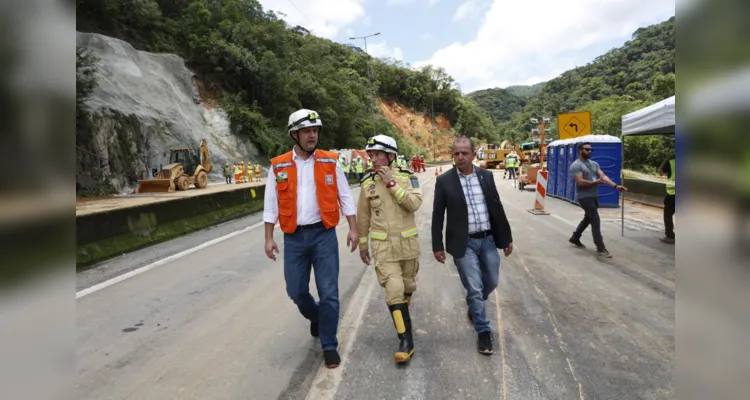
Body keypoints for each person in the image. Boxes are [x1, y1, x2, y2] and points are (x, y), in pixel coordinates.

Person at [263, 108, 359, 369]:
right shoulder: (279, 165)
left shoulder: (330, 161)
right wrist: (269, 237)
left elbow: (345, 196)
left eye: (315, 131)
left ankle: (329, 344)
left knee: (329, 293)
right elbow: (271, 204)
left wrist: (353, 228)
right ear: (294, 134)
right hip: (293, 238)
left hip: (324, 236)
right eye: (306, 131)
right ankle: (317, 317)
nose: (312, 135)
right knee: (296, 291)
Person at [431, 136, 514, 355]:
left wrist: (505, 238)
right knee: (475, 288)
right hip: (463, 243)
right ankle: (483, 331)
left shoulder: (486, 177)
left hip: (487, 240)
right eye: (456, 153)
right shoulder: (445, 181)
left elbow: (496, 208)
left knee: (492, 281)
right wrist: (437, 245)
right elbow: (438, 215)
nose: (460, 157)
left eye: (464, 153)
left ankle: (474, 305)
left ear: (473, 154)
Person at [357, 134, 423, 363]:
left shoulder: (408, 178)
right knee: (393, 289)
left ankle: (403, 312)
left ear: (391, 156)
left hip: (407, 246)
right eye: (371, 155)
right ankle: (406, 342)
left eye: (378, 155)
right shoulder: (367, 184)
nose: (373, 159)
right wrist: (363, 244)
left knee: (407, 286)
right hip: (383, 247)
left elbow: (414, 204)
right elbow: (363, 217)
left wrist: (392, 184)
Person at [568, 142, 627, 258]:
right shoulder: (576, 165)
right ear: (580, 150)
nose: (589, 152)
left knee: (588, 218)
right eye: (587, 149)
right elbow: (580, 181)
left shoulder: (594, 164)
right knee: (595, 220)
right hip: (584, 197)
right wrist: (595, 182)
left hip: (594, 196)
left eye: (591, 150)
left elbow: (603, 176)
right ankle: (601, 248)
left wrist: (615, 186)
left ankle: (575, 237)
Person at [658, 157, 675, 244]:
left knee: (668, 215)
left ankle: (670, 236)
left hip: (673, 195)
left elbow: (660, 172)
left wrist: (664, 160)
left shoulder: (671, 162)